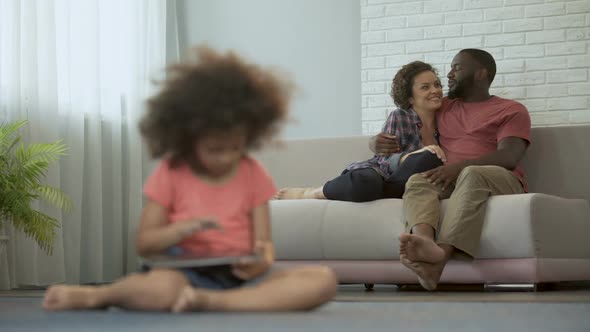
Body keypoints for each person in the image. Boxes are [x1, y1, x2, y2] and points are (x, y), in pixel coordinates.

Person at [43, 47, 337, 312]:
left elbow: (264, 245)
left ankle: (212, 302)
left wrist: (261, 259)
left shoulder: (253, 172)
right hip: (181, 273)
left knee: (321, 281)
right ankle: (98, 296)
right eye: (214, 150)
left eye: (236, 147)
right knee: (160, 290)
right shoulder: (171, 172)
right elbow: (145, 244)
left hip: (239, 276)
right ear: (188, 138)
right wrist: (183, 229)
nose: (226, 158)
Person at [398, 49, 531, 291]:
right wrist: (375, 142)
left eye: (457, 68)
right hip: (456, 180)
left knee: (472, 173)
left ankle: (441, 256)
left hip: (502, 180)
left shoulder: (511, 109)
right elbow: (403, 116)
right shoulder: (445, 106)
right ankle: (425, 246)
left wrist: (459, 167)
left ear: (481, 74)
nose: (448, 74)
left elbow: (509, 156)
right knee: (419, 180)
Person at [276, 61, 447, 203]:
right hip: (380, 174)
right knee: (367, 183)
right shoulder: (400, 117)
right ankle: (311, 193)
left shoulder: (448, 121)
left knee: (429, 159)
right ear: (410, 97)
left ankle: (376, 192)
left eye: (437, 85)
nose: (435, 90)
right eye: (425, 87)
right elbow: (386, 161)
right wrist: (414, 155)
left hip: (410, 184)